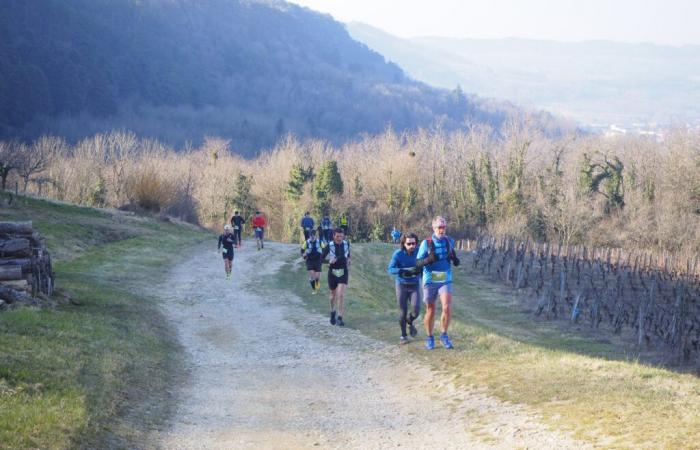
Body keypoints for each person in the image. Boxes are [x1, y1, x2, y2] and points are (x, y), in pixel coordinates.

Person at [415, 216, 461, 350]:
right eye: (439, 227)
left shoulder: (449, 241)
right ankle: (429, 337)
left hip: (445, 278)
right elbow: (417, 263)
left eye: (444, 227)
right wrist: (428, 260)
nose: (442, 230)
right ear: (434, 228)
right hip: (430, 279)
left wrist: (455, 259)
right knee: (431, 309)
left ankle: (444, 335)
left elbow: (454, 257)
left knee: (446, 307)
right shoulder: (426, 243)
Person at [387, 233, 421, 344]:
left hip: (415, 285)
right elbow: (390, 269)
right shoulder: (398, 254)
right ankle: (403, 336)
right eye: (409, 243)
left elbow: (427, 262)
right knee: (403, 311)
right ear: (403, 244)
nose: (412, 246)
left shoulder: (419, 252)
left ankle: (409, 321)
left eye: (414, 243)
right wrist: (401, 271)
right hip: (401, 285)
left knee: (416, 310)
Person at [323, 228, 350, 326]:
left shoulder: (346, 244)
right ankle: (332, 311)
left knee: (341, 294)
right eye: (337, 236)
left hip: (343, 272)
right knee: (332, 295)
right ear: (333, 236)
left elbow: (348, 255)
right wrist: (329, 261)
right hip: (332, 273)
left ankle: (340, 317)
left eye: (341, 236)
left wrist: (348, 260)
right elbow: (321, 259)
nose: (339, 238)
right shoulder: (329, 246)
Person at [301, 229, 325, 294]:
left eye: (313, 235)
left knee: (317, 277)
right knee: (312, 276)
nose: (312, 237)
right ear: (309, 236)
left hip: (318, 260)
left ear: (315, 235)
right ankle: (314, 290)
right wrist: (304, 255)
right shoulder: (307, 242)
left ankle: (317, 282)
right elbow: (302, 250)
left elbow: (324, 249)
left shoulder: (320, 242)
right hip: (310, 260)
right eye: (311, 235)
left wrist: (322, 257)